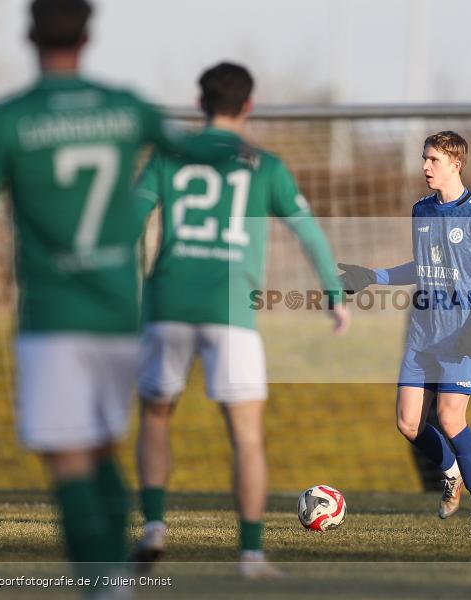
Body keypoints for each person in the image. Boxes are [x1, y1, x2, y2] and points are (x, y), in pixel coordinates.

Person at [0, 0, 240, 583]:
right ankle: (116, 577)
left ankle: (105, 587)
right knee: (103, 448)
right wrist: (238, 146)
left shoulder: (8, 119)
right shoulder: (126, 106)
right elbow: (193, 148)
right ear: (87, 37)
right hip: (117, 310)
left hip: (53, 313)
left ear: (30, 37)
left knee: (67, 459)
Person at [130, 61, 350, 578]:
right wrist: (334, 292)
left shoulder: (167, 155)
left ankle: (155, 525)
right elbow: (308, 231)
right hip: (231, 309)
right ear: (249, 105)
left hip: (168, 303)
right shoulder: (265, 165)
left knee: (157, 416)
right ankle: (251, 554)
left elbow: (128, 222)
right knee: (246, 435)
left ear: (199, 103)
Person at [338, 131, 471, 532]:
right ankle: (452, 473)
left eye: (433, 160)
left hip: (459, 335)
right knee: (408, 423)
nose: (425, 166)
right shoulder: (421, 210)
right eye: (424, 158)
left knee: (450, 418)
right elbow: (424, 266)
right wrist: (374, 276)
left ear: (455, 164)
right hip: (422, 333)